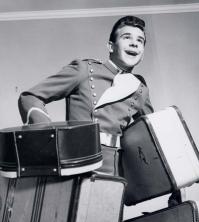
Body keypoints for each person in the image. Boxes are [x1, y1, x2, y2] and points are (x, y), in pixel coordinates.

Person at [18, 15, 154, 176]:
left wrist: (176, 185)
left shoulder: (140, 88)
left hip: (115, 167)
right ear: (111, 46)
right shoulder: (84, 69)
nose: (134, 43)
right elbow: (30, 97)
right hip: (78, 159)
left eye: (140, 41)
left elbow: (153, 134)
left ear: (142, 52)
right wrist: (49, 140)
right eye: (127, 37)